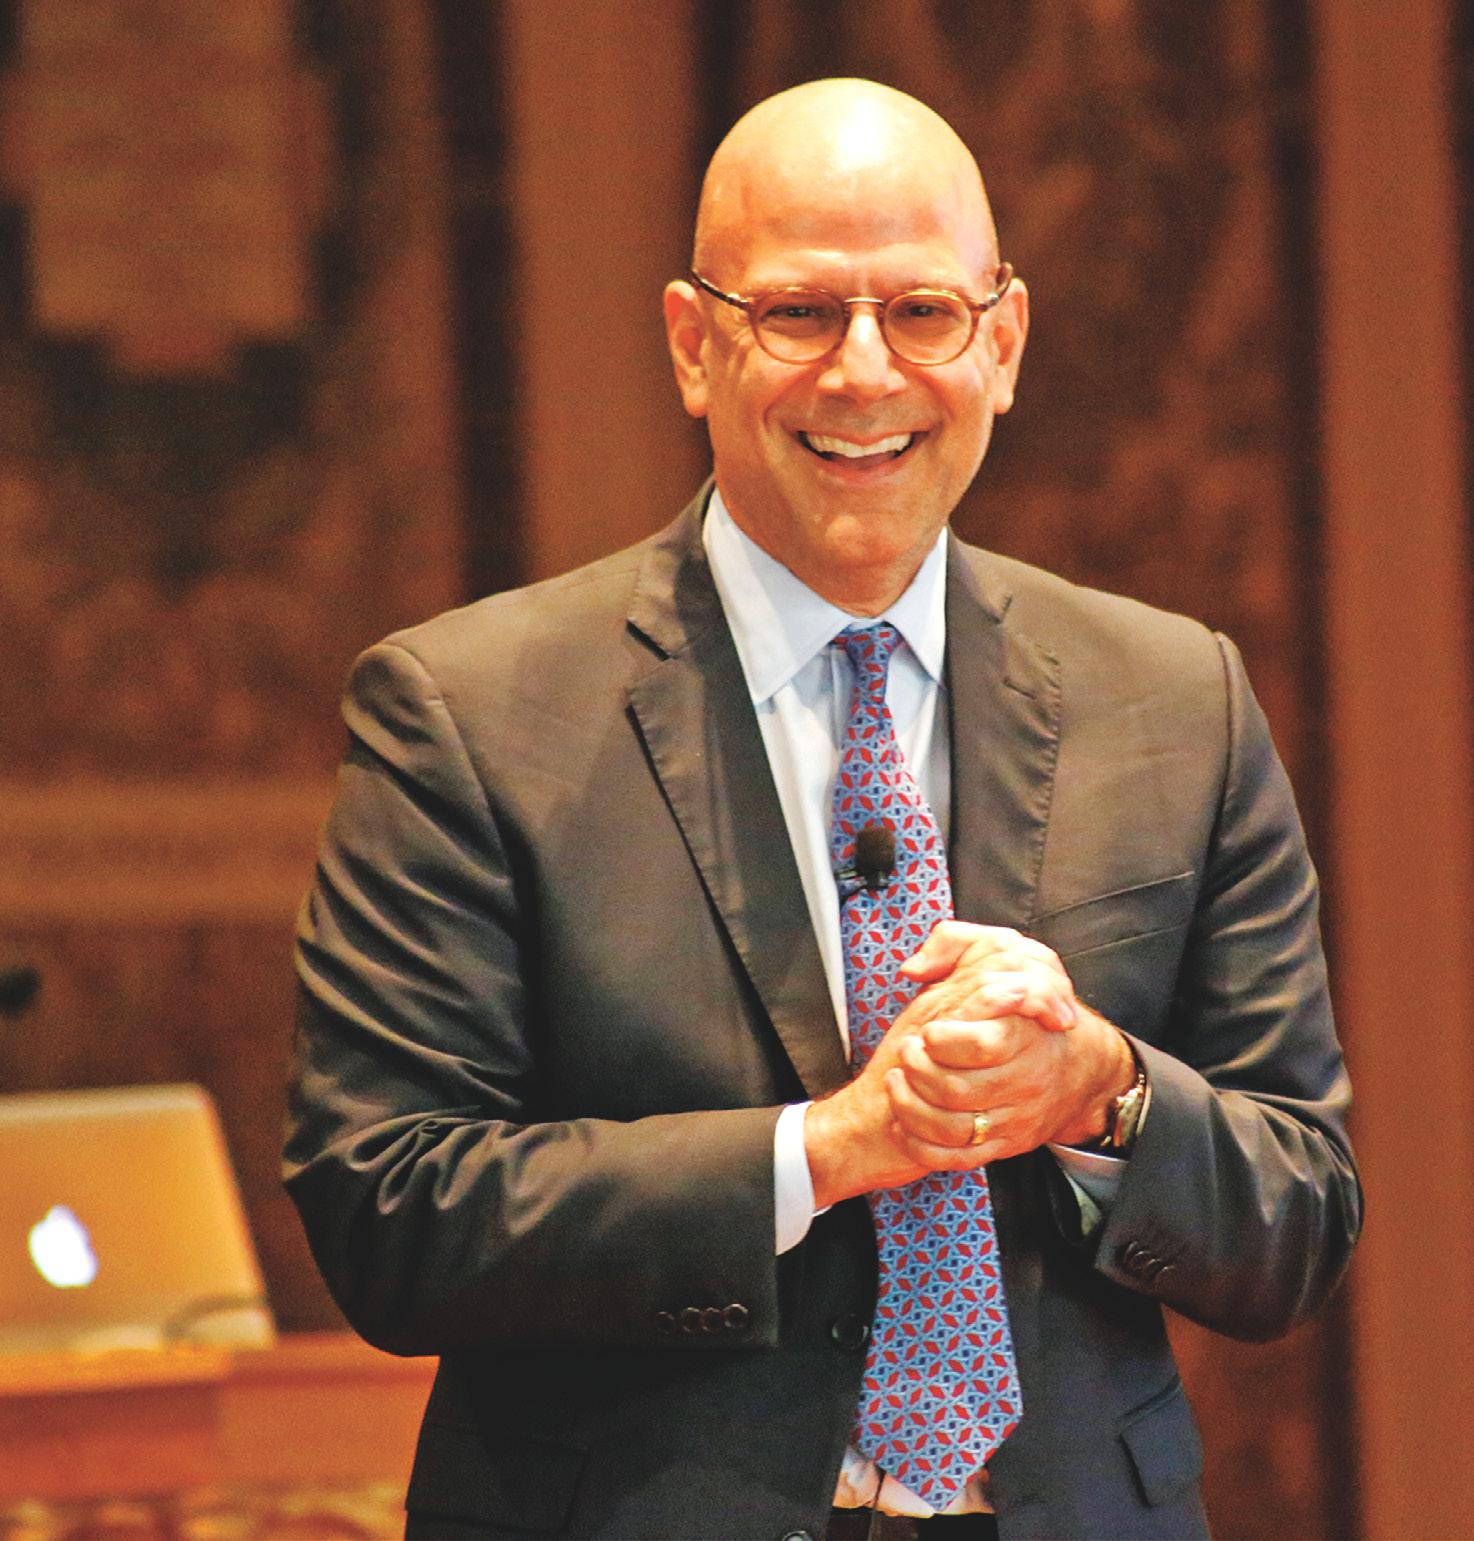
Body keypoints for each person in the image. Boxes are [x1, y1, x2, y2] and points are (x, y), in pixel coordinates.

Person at [285, 78, 1360, 1541]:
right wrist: (825, 1151)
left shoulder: (1176, 699)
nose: (864, 373)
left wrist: (1099, 1092)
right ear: (693, 344)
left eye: (921, 313)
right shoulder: (469, 714)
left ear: (1002, 344)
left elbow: (1300, 1214)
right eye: (798, 313)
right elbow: (390, 1211)